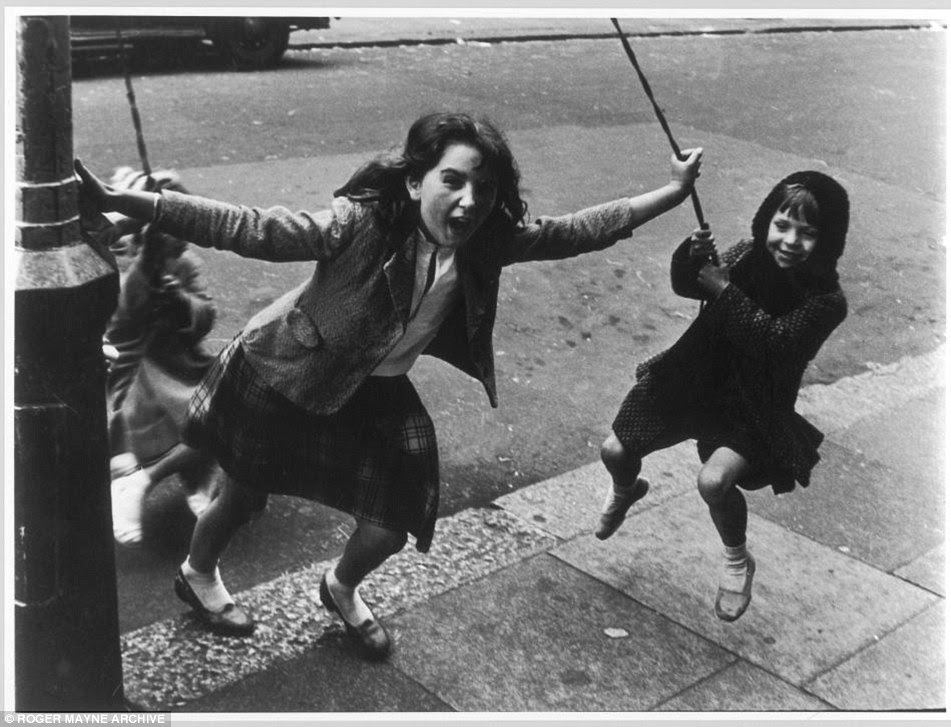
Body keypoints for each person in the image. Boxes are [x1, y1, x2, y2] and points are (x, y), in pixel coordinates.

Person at [75, 111, 704, 656]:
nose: (467, 201)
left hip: (376, 389)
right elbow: (250, 227)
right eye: (451, 180)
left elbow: (575, 231)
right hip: (286, 370)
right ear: (414, 181)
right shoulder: (361, 225)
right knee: (241, 495)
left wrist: (673, 195)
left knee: (395, 518)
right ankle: (198, 573)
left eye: (483, 189)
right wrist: (128, 202)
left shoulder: (488, 240)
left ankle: (340, 587)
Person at [595, 170, 849, 623]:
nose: (790, 240)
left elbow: (775, 343)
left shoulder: (827, 300)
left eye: (808, 233)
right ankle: (627, 488)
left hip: (753, 405)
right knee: (614, 449)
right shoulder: (749, 254)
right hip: (692, 379)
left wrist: (722, 288)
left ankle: (736, 560)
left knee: (714, 482)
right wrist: (691, 260)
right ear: (764, 221)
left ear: (829, 240)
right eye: (782, 225)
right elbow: (690, 284)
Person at [102, 168, 221, 548]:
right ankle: (137, 481)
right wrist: (149, 271)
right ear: (144, 236)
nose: (176, 239)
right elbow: (122, 322)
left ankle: (199, 479)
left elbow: (205, 316)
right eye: (163, 231)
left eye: (181, 227)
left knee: (221, 415)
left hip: (187, 363)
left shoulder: (187, 265)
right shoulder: (134, 269)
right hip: (144, 374)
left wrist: (182, 302)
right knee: (185, 421)